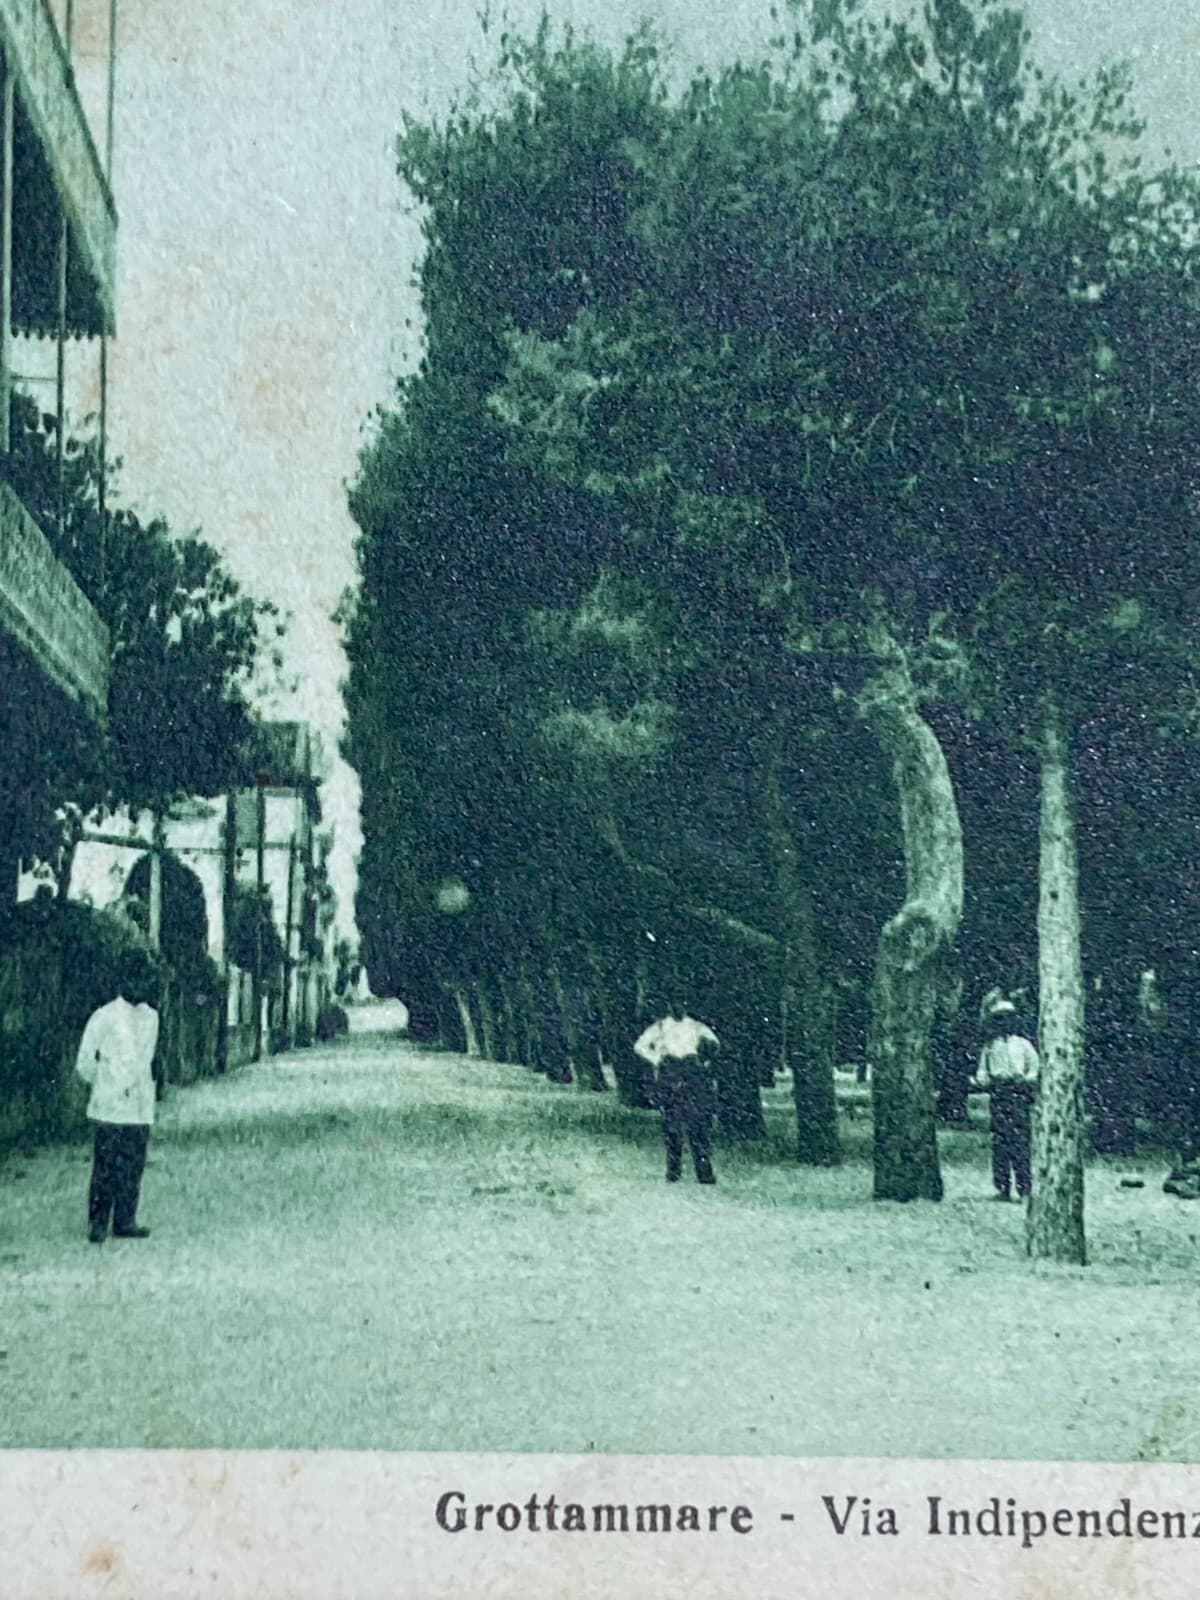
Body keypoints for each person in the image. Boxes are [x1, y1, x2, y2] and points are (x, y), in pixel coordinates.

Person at [75, 951, 161, 1243]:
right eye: (135, 978)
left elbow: (146, 1058)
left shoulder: (152, 1017)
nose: (141, 985)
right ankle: (98, 1223)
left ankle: (125, 1220)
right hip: (109, 1105)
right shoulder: (105, 1016)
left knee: (132, 1165)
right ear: (123, 981)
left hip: (138, 1105)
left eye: (145, 979)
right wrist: (103, 1085)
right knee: (105, 1167)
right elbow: (85, 1060)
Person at [633, 1001, 720, 1185]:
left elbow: (714, 1043)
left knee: (698, 1125)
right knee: (672, 1125)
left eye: (681, 1005)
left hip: (691, 1073)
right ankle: (673, 1171)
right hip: (670, 1073)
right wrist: (657, 1059)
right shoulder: (660, 1026)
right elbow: (640, 1046)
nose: (678, 1009)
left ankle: (704, 1173)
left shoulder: (696, 1026)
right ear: (668, 1008)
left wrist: (703, 1060)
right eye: (675, 1006)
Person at [974, 997, 1040, 1201]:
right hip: (999, 1093)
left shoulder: (1023, 1044)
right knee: (1001, 1142)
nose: (1003, 1023)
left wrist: (1026, 1080)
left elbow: (1034, 1067)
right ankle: (1002, 1187)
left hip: (1018, 1093)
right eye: (999, 1019)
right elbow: (982, 1072)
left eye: (1007, 1018)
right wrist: (985, 1081)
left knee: (1020, 1141)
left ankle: (1024, 1187)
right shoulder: (990, 1047)